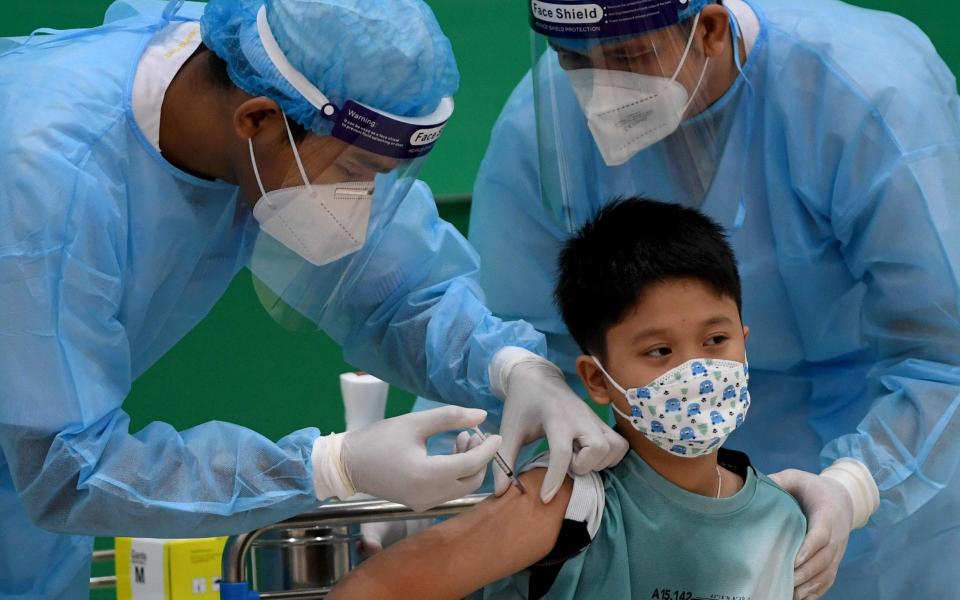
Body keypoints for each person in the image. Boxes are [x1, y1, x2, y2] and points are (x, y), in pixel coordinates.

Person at [0, 0, 627, 597]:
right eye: (356, 174)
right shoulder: (47, 180)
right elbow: (66, 468)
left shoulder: (261, 76)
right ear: (256, 121)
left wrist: (509, 365)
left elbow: (398, 292)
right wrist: (329, 467)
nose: (362, 204)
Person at [463, 0, 960, 597]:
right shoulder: (544, 121)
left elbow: (944, 354)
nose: (602, 92)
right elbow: (511, 344)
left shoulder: (866, 97)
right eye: (575, 61)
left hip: (904, 478)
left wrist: (857, 485)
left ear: (711, 29)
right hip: (673, 508)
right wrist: (458, 486)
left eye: (627, 57)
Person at [329, 198, 807, 600]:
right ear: (596, 380)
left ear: (745, 341)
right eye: (659, 351)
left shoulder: (780, 519)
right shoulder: (570, 504)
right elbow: (371, 591)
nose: (694, 371)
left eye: (716, 340)